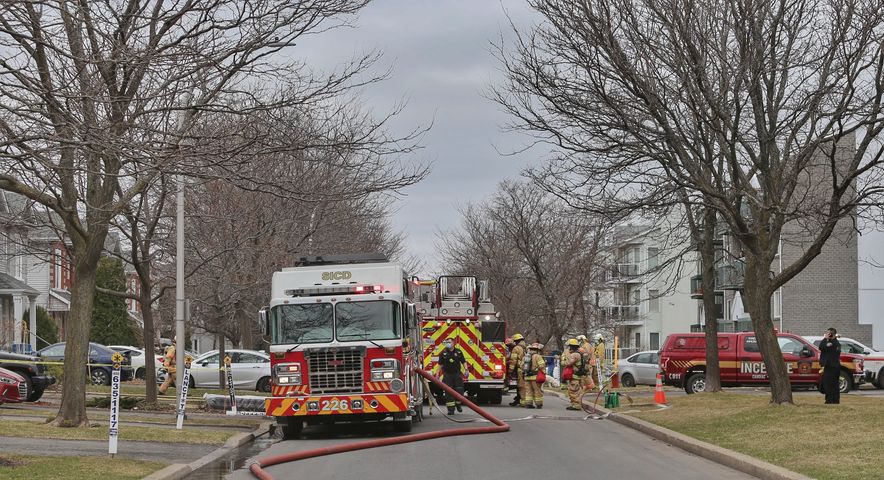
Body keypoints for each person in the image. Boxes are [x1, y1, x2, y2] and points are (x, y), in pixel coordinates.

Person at [437, 338, 467, 414]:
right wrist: (437, 374)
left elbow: (463, 361)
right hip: (447, 375)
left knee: (459, 390)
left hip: (457, 374)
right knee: (448, 392)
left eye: (449, 342)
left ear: (453, 343)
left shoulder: (459, 352)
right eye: (446, 342)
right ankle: (451, 410)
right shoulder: (443, 353)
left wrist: (466, 370)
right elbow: (440, 364)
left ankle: (458, 404)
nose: (447, 343)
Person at [563, 338, 589, 410]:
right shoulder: (580, 354)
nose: (569, 349)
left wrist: (563, 362)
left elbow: (569, 363)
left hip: (575, 376)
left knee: (573, 390)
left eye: (569, 347)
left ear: (572, 347)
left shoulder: (574, 355)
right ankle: (576, 404)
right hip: (580, 375)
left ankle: (575, 405)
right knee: (577, 391)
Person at [819, 327, 842, 404]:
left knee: (829, 384)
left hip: (832, 367)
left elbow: (821, 347)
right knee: (832, 384)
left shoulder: (833, 343)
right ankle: (834, 400)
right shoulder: (834, 342)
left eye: (828, 333)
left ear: (831, 334)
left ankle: (830, 400)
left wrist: (825, 338)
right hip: (832, 366)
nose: (826, 334)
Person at [523, 343, 546, 409]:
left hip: (527, 377)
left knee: (528, 391)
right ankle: (539, 404)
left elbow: (522, 366)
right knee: (537, 390)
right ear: (537, 350)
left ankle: (528, 404)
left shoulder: (525, 357)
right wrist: (543, 372)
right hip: (535, 377)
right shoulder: (538, 356)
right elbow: (542, 365)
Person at [508, 334, 527, 406]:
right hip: (526, 369)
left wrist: (510, 370)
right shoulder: (526, 347)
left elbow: (513, 361)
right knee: (524, 385)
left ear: (516, 341)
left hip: (520, 369)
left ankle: (523, 402)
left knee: (521, 386)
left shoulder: (516, 348)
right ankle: (519, 399)